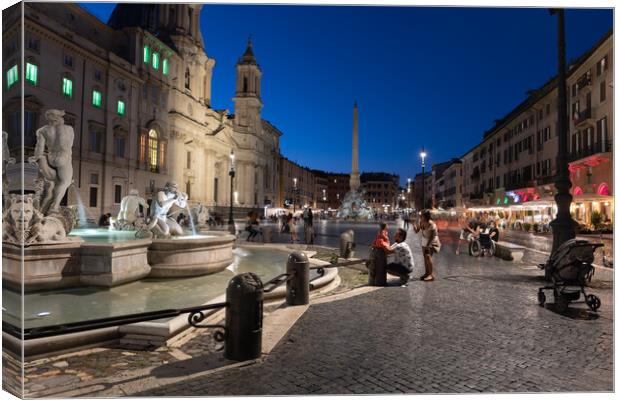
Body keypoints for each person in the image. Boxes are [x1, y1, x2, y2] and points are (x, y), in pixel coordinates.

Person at [413, 210, 441, 282]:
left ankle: (431, 275)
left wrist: (427, 246)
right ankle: (426, 273)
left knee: (428, 257)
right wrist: (414, 225)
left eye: (422, 215)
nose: (420, 216)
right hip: (424, 240)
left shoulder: (432, 224)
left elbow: (431, 237)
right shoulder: (421, 222)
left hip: (431, 241)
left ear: (426, 217)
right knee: (425, 258)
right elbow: (416, 231)